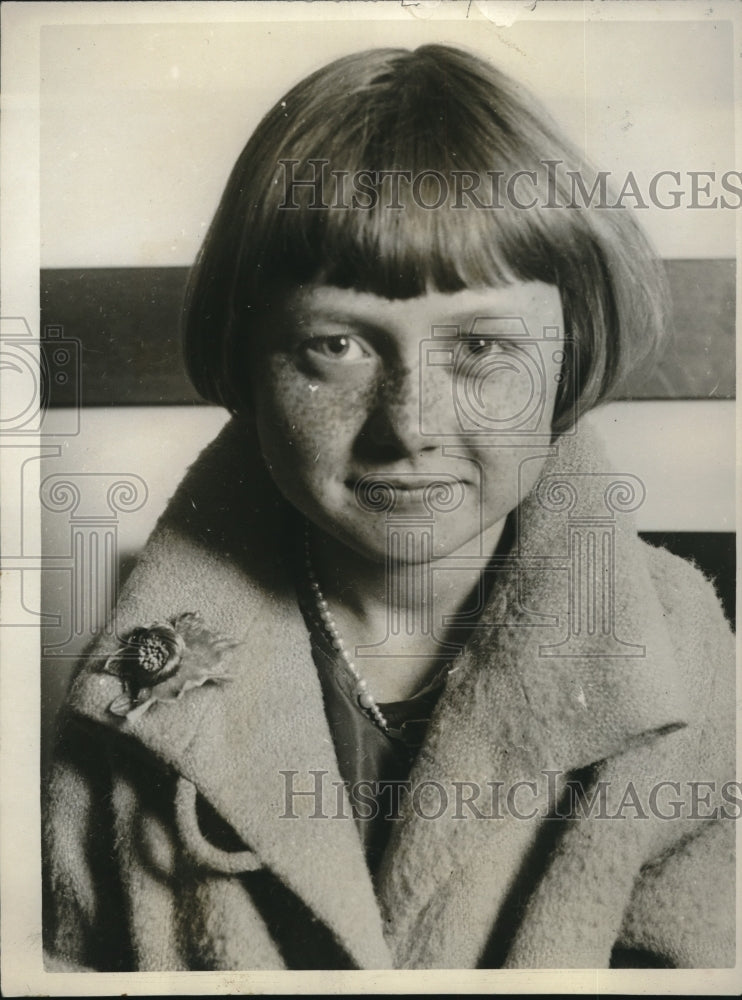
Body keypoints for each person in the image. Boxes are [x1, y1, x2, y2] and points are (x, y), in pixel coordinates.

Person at [42, 44, 735, 971]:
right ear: (246, 357)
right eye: (336, 344)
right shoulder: (123, 698)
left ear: (568, 354)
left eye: (481, 347)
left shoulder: (689, 666)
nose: (409, 426)